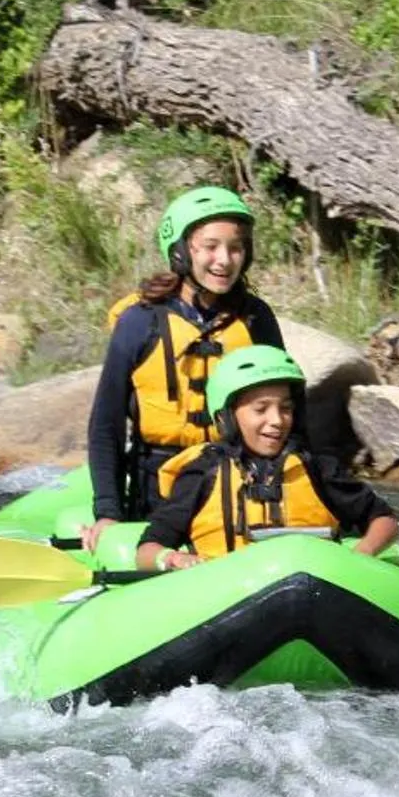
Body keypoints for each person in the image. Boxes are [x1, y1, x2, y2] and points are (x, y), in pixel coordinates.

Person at [81, 186, 284, 550]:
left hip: (234, 481)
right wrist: (107, 512)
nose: (224, 260)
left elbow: (289, 415)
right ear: (179, 250)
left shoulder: (256, 320)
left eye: (235, 248)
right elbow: (106, 426)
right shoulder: (139, 322)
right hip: (156, 488)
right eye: (210, 246)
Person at [135, 344, 398, 572]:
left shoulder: (317, 467)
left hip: (313, 590)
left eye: (285, 408)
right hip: (222, 594)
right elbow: (147, 550)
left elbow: (384, 520)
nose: (277, 421)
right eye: (261, 409)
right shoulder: (202, 472)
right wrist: (171, 558)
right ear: (227, 417)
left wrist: (362, 555)